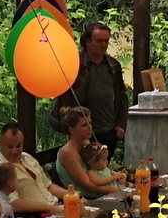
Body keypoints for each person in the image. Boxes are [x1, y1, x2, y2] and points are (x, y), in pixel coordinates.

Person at [50, 22, 128, 152]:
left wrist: (121, 124)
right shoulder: (74, 63)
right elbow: (63, 94)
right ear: (87, 41)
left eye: (106, 41)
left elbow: (121, 95)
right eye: (99, 41)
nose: (103, 45)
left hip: (109, 130)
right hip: (83, 131)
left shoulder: (113, 65)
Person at [0, 122, 66, 218]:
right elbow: (13, 204)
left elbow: (48, 186)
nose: (14, 151)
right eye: (10, 147)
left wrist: (72, 195)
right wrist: (49, 208)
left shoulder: (27, 158)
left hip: (56, 207)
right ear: (0, 142)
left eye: (18, 146)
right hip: (36, 217)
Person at [55, 107, 124, 197]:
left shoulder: (86, 145)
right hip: (85, 198)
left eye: (90, 123)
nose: (89, 128)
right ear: (71, 129)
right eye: (84, 125)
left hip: (103, 192)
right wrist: (120, 191)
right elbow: (88, 185)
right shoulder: (68, 152)